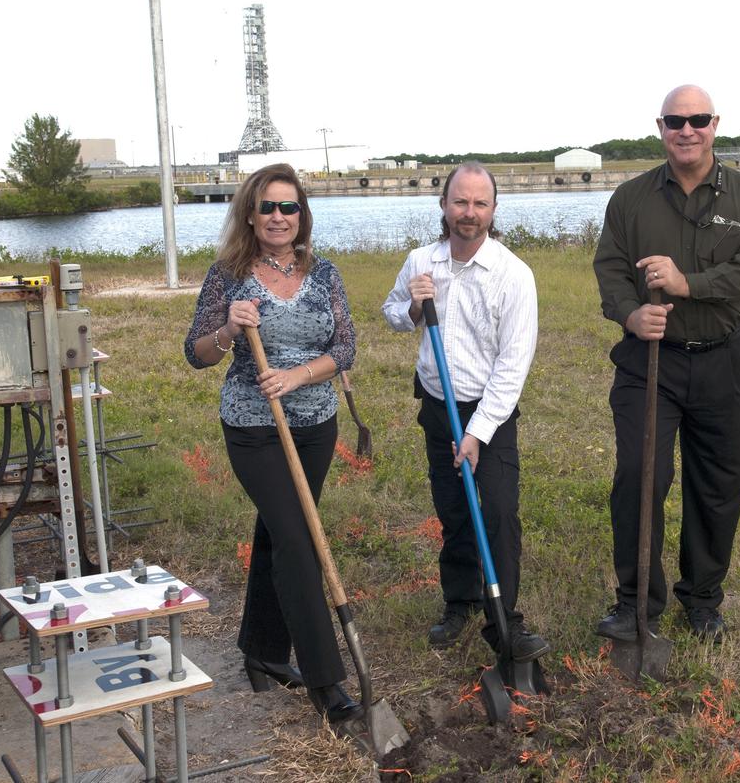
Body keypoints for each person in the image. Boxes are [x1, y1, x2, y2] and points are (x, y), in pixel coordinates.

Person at [592, 84, 740, 643]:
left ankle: (702, 600)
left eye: (697, 119)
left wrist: (685, 284)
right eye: (675, 121)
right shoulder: (630, 199)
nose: (686, 130)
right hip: (649, 363)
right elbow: (610, 270)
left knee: (719, 483)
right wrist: (630, 316)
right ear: (661, 128)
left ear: (715, 124)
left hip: (724, 359)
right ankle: (635, 603)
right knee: (639, 478)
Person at [184, 163, 363, 723]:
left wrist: (297, 377)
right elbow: (196, 353)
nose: (279, 217)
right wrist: (228, 331)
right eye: (268, 207)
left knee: (277, 535)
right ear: (250, 214)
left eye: (289, 207)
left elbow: (346, 350)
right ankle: (326, 680)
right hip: (254, 428)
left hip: (314, 425)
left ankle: (261, 652)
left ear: (301, 214)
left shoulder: (325, 274)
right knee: (299, 538)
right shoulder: (228, 274)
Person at [381, 162, 549, 662]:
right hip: (438, 405)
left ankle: (505, 621)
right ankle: (460, 600)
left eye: (479, 203)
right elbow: (393, 317)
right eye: (460, 202)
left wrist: (476, 433)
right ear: (443, 206)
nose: (469, 212)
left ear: (493, 211)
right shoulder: (420, 262)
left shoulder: (513, 275)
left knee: (496, 511)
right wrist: (413, 305)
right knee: (454, 510)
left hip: (490, 412)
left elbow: (513, 365)